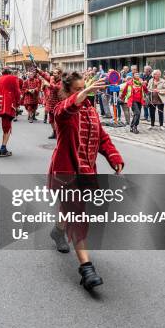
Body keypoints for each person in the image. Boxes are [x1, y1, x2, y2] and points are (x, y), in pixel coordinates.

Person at [49, 72, 124, 290]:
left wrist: (114, 157)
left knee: (71, 208)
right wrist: (83, 94)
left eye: (85, 87)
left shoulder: (91, 111)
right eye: (77, 89)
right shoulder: (62, 110)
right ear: (68, 91)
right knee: (78, 214)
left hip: (87, 172)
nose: (84, 92)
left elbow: (102, 138)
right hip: (67, 172)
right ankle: (86, 268)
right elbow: (67, 108)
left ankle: (57, 230)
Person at [36, 67, 62, 139]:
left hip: (58, 103)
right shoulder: (52, 78)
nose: (53, 74)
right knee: (51, 120)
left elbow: (58, 88)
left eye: (55, 73)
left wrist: (49, 85)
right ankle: (54, 132)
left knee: (58, 120)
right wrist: (38, 70)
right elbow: (44, 75)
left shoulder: (62, 81)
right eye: (53, 73)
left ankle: (59, 133)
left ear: (60, 74)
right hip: (51, 102)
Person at [120, 68, 147, 133]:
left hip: (140, 100)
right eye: (136, 75)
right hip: (132, 100)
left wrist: (143, 84)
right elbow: (125, 91)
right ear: (133, 76)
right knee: (137, 113)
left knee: (137, 114)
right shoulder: (129, 83)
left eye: (138, 75)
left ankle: (132, 126)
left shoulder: (141, 82)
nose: (138, 76)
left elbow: (146, 91)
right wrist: (122, 98)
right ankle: (134, 127)